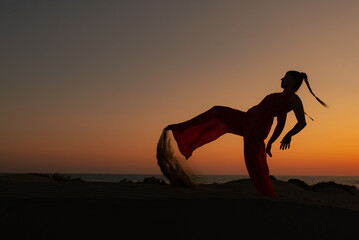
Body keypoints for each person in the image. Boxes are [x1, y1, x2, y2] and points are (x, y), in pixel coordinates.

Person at [161, 71, 327, 197]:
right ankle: (181, 129)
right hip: (247, 119)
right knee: (217, 111)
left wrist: (288, 136)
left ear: (293, 81)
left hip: (257, 127)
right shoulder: (280, 97)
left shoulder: (294, 99)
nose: (281, 79)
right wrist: (271, 143)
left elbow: (299, 123)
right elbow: (280, 124)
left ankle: (267, 194)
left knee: (253, 161)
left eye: (285, 77)